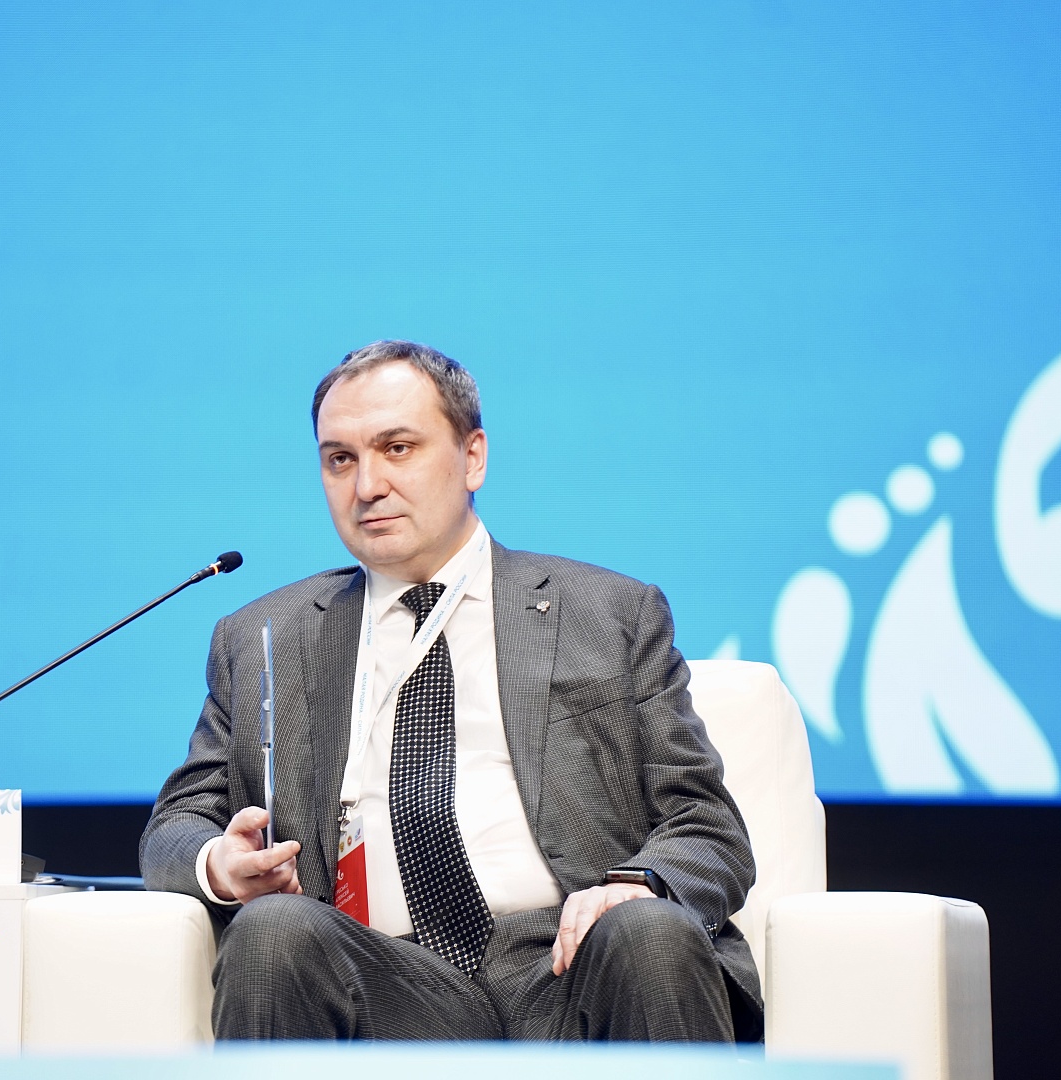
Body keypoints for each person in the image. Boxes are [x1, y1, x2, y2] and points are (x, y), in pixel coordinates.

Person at [140, 340, 760, 1041]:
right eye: (340, 459)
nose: (366, 485)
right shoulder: (264, 639)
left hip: (575, 965)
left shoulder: (610, 615)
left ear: (473, 457)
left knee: (648, 930)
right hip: (384, 980)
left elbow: (707, 827)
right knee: (274, 929)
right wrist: (219, 864)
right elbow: (176, 827)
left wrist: (635, 888)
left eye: (397, 448)